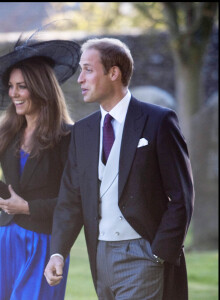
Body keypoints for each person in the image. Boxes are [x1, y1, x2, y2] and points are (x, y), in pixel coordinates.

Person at [44, 37, 194, 300]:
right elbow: (70, 199)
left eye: (88, 70)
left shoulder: (158, 121)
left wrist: (159, 252)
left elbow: (181, 196)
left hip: (144, 255)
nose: (80, 79)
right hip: (100, 256)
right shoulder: (83, 131)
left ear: (114, 72)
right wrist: (58, 252)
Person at [0, 31, 80, 300]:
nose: (13, 93)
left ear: (41, 88)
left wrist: (27, 207)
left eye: (22, 86)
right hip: (9, 238)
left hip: (45, 241)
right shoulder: (8, 134)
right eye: (11, 86)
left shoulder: (67, 137)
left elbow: (74, 200)